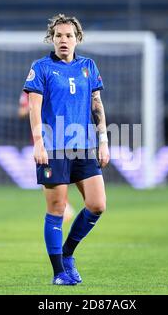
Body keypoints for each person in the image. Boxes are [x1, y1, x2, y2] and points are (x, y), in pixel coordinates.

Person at [23, 14, 110, 285]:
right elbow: (34, 108)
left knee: (97, 205)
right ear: (52, 38)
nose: (64, 40)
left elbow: (97, 104)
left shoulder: (88, 66)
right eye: (59, 35)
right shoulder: (41, 67)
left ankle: (68, 253)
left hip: (84, 146)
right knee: (57, 209)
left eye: (69, 35)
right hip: (54, 147)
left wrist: (103, 140)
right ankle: (59, 272)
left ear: (77, 39)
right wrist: (38, 142)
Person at [17, 91, 76, 223]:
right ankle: (59, 207)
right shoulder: (30, 90)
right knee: (48, 175)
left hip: (61, 135)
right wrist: (35, 105)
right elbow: (21, 112)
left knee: (64, 173)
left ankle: (63, 205)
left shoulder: (55, 86)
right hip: (42, 140)